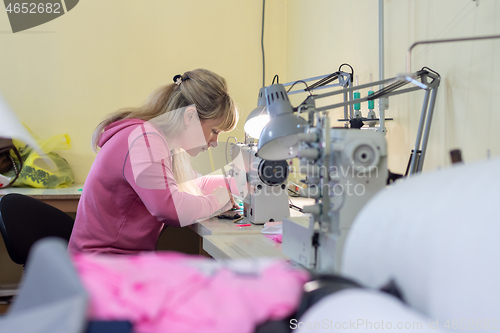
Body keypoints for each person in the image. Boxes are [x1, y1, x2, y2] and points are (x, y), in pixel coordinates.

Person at [68, 69, 239, 254]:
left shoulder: (161, 142)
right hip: (101, 265)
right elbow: (170, 208)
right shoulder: (144, 140)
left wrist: (241, 185)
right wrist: (216, 201)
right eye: (215, 131)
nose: (214, 142)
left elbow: (193, 184)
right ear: (190, 117)